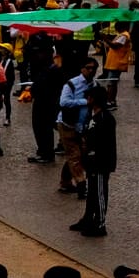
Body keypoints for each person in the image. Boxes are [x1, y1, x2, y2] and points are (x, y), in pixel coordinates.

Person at [73, 95, 115, 236]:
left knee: (100, 193)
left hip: (100, 163)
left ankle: (100, 224)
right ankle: (88, 219)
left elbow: (104, 143)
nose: (87, 100)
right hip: (91, 162)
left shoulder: (105, 118)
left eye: (89, 97)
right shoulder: (93, 116)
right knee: (92, 193)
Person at [57, 58, 97, 197]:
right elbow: (64, 102)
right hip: (67, 125)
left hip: (82, 126)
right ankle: (81, 184)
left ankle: (65, 182)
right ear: (82, 69)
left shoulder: (94, 85)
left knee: (78, 155)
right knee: (75, 155)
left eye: (94, 68)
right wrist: (84, 101)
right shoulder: (72, 84)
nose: (91, 70)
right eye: (88, 67)